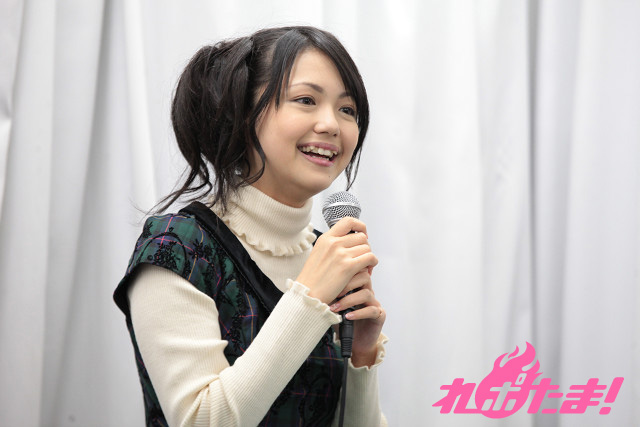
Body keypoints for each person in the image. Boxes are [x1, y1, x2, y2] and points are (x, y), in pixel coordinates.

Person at [114, 26, 387, 426]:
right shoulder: (178, 249)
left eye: (348, 109)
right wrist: (309, 297)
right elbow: (202, 420)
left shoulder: (325, 256)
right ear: (242, 113)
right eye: (306, 100)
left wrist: (361, 354)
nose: (332, 124)